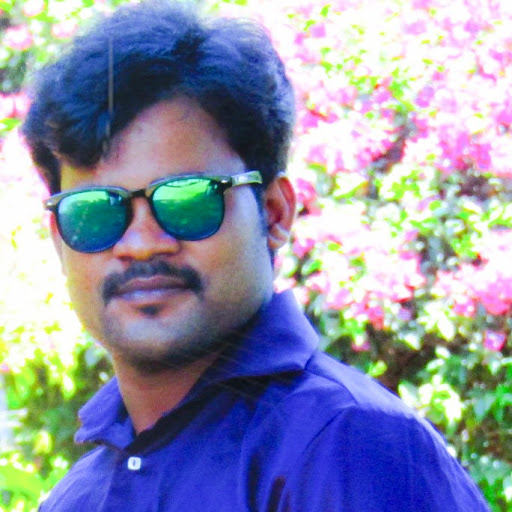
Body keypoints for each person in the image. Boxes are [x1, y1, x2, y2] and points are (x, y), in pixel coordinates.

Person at [23, 1, 490, 510]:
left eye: (187, 200)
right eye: (94, 212)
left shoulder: (349, 445)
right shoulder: (76, 498)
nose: (141, 243)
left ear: (274, 212)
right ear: (59, 238)